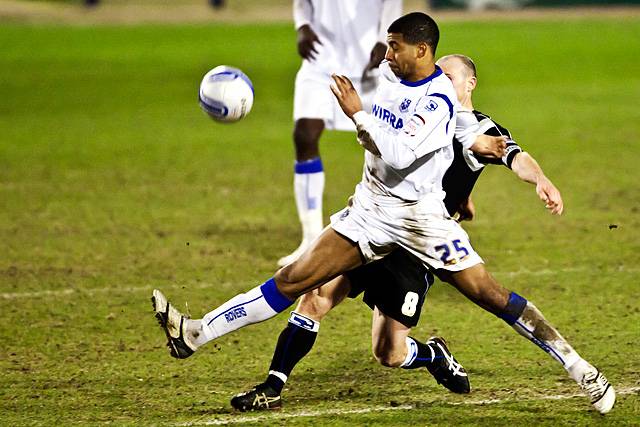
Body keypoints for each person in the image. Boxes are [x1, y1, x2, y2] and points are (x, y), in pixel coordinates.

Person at [152, 13, 614, 415]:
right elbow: (437, 140)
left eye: (395, 46)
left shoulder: (439, 101)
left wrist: (357, 114)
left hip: (421, 223)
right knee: (297, 281)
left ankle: (581, 369)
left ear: (421, 50)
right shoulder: (391, 77)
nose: (387, 52)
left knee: (486, 296)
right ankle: (194, 334)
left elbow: (400, 151)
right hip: (370, 209)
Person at [278, 0, 402, 267]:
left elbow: (392, 3)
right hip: (320, 60)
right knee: (304, 136)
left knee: (384, 145)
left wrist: (385, 41)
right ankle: (310, 238)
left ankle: (388, 233)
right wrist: (303, 27)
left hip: (370, 62)